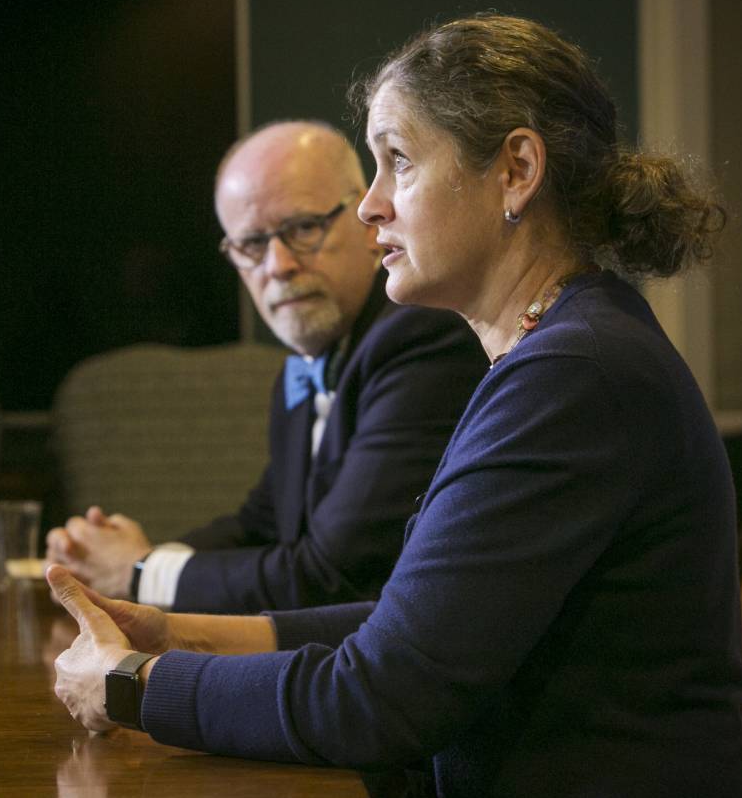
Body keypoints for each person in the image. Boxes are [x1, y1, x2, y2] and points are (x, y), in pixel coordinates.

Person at [46, 14, 742, 798]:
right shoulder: (558, 351)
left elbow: (383, 697)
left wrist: (132, 684)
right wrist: (179, 632)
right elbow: (409, 622)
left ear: (517, 170)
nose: (370, 207)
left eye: (399, 162)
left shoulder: (574, 373)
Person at [47, 121, 486, 614]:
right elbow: (263, 523)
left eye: (302, 228)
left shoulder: (421, 337)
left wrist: (140, 573)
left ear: (368, 222)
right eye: (252, 244)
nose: (277, 265)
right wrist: (119, 558)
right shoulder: (304, 365)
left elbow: (333, 575)